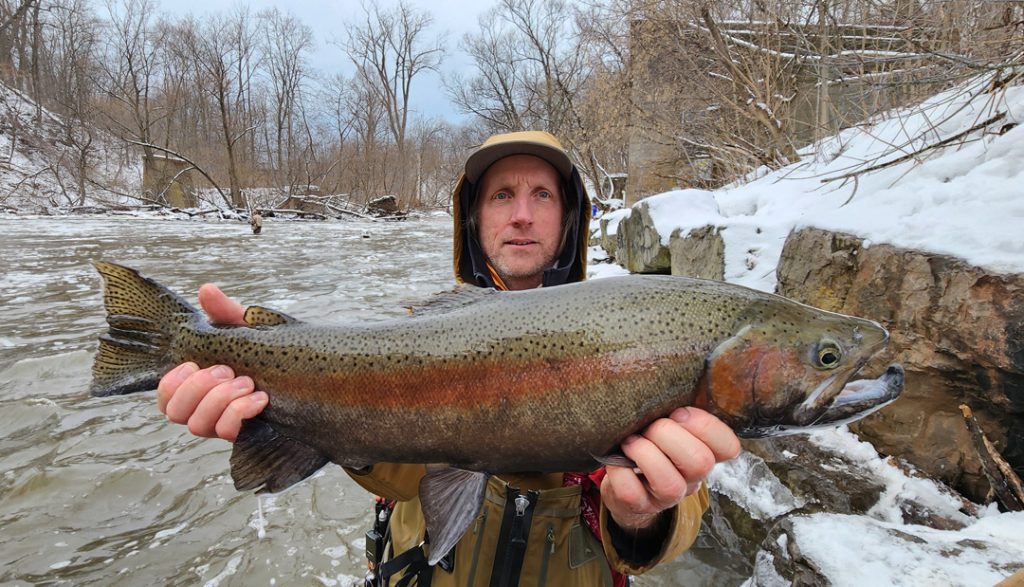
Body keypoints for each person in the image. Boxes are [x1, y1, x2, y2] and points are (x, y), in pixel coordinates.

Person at [156, 131, 741, 586]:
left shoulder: (637, 338)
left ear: (569, 220)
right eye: (502, 195)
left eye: (542, 195)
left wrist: (643, 515)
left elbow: (677, 522)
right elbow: (401, 478)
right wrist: (266, 384)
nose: (522, 214)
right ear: (473, 218)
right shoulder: (414, 337)